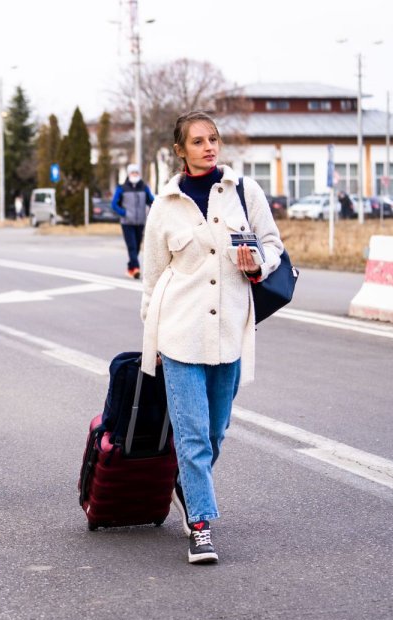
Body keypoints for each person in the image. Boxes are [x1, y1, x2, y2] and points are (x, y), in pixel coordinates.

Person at [140, 111, 283, 565]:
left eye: (213, 139)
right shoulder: (164, 206)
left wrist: (258, 263)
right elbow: (153, 279)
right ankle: (200, 527)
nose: (208, 146)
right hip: (179, 334)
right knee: (194, 435)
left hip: (229, 334)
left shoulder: (244, 192)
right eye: (198, 141)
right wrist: (152, 343)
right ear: (179, 150)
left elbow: (273, 245)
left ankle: (187, 485)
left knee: (217, 429)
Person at [112, 164, 155, 280]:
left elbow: (151, 201)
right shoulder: (122, 188)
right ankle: (136, 268)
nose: (135, 174)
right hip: (127, 223)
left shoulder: (144, 187)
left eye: (136, 172)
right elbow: (114, 204)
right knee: (131, 246)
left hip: (140, 222)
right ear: (129, 174)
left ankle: (130, 268)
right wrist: (123, 213)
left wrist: (156, 210)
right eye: (133, 172)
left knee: (136, 247)